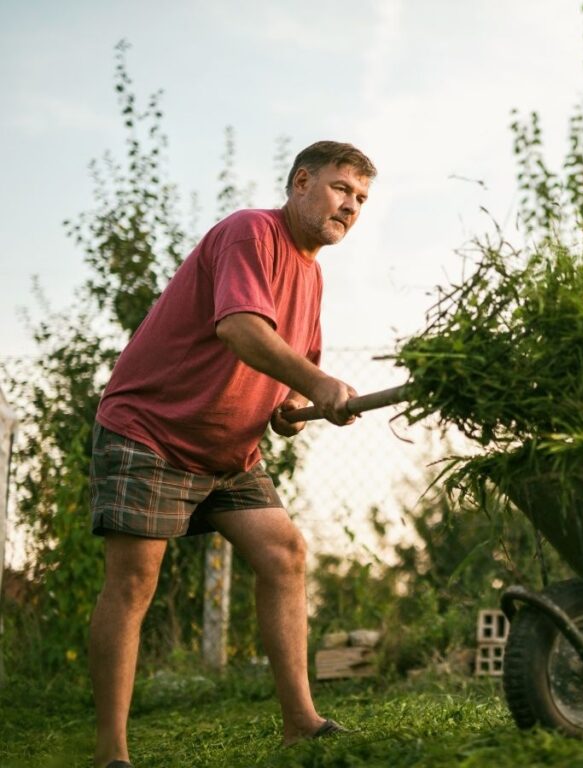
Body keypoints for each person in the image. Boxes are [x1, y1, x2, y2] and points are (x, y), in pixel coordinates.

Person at [87, 141, 376, 768]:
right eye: (339, 188)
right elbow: (241, 329)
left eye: (360, 198)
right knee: (134, 582)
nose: (350, 206)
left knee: (284, 554)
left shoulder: (312, 274)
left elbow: (287, 366)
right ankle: (112, 754)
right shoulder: (251, 233)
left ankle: (301, 723)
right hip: (152, 430)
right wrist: (318, 385)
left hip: (228, 452)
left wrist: (289, 407)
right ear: (301, 183)